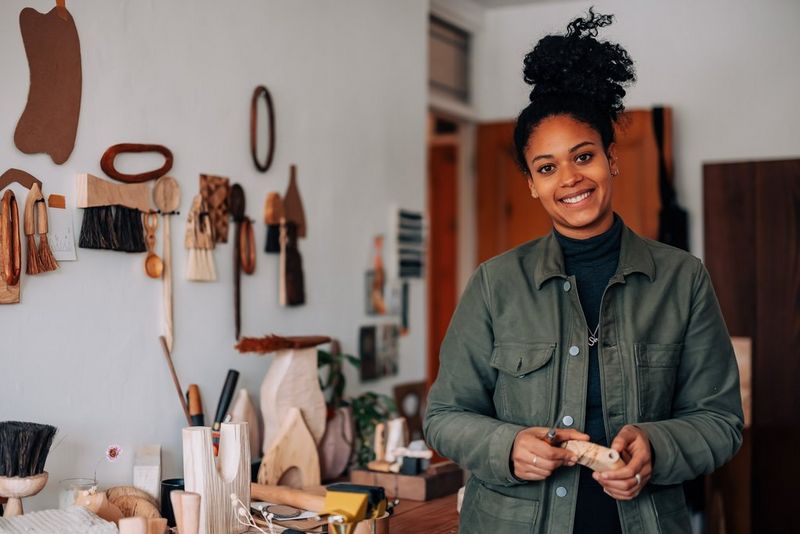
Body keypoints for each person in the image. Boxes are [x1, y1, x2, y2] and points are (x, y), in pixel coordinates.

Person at [423, 10, 743, 534]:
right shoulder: (494, 283)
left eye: (583, 156)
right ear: (531, 183)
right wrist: (506, 447)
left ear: (611, 159)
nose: (569, 178)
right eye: (547, 167)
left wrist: (657, 447)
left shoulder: (683, 279)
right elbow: (445, 415)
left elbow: (721, 421)